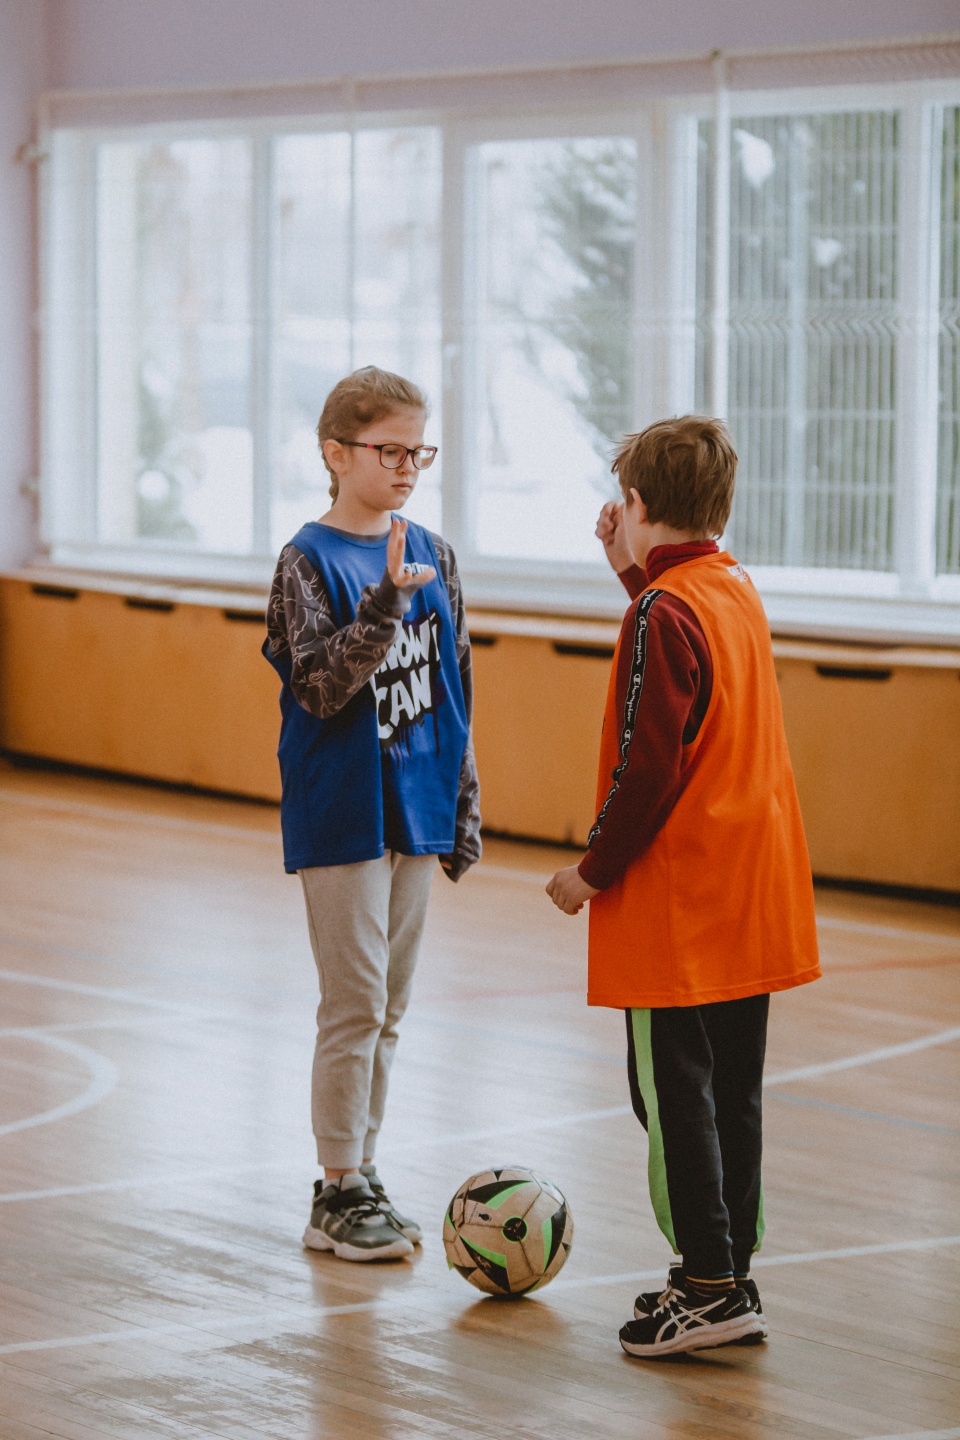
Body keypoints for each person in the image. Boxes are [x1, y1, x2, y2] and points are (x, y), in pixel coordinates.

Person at [546, 415, 820, 1357]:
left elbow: (649, 765)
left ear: (636, 503)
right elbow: (689, 682)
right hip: (750, 890)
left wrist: (591, 871)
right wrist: (630, 571)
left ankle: (707, 1287)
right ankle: (726, 1270)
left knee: (672, 1097)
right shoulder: (730, 586)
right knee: (732, 1090)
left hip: (683, 903)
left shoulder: (660, 615)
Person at [264, 366, 481, 1262]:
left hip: (416, 806)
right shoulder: (305, 561)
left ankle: (364, 1167)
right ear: (335, 452)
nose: (406, 469)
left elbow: (456, 682)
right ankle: (334, 1190)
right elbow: (320, 686)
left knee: (389, 1006)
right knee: (352, 1004)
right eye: (390, 451)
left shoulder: (435, 551)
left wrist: (462, 801)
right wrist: (386, 601)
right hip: (342, 808)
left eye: (418, 453)